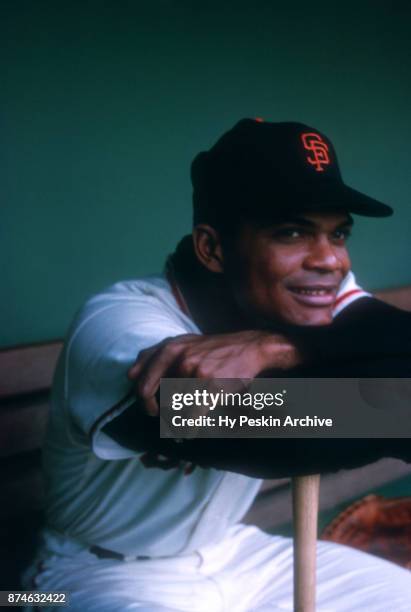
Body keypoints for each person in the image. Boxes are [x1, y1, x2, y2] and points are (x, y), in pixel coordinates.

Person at [22, 119, 411, 610]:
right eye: (292, 231)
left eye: (339, 234)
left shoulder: (309, 295)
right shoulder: (122, 326)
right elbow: (287, 435)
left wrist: (285, 346)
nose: (330, 260)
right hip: (96, 572)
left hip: (234, 553)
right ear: (212, 248)